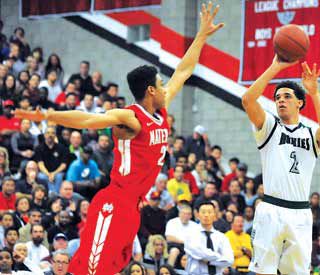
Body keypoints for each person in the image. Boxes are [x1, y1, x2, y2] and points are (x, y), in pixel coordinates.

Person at [15, 4, 224, 274]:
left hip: (133, 206)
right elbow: (88, 119)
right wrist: (47, 115)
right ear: (151, 90)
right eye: (161, 84)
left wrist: (201, 37)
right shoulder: (131, 118)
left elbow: (183, 71)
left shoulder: (160, 109)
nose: (165, 87)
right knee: (90, 269)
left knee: (114, 267)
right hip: (114, 201)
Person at [241, 55, 320, 275]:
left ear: (299, 102)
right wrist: (275, 67)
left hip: (300, 213)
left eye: (286, 96)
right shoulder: (269, 126)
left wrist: (315, 93)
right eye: (277, 97)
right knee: (263, 272)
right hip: (271, 209)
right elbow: (247, 100)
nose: (280, 100)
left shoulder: (311, 133)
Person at [184, 201, 233, 275]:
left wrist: (209, 261)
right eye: (203, 212)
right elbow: (199, 253)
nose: (206, 215)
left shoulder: (221, 237)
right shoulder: (191, 234)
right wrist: (219, 257)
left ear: (214, 215)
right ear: (197, 215)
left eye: (210, 212)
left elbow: (229, 260)